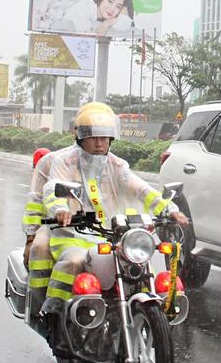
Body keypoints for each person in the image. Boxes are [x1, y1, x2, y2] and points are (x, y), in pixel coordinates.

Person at [40, 103, 187, 316]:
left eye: (104, 137)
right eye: (93, 137)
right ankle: (55, 310)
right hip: (74, 234)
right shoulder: (64, 162)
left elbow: (141, 189)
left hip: (113, 235)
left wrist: (170, 209)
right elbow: (53, 188)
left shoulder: (117, 165)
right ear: (80, 137)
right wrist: (61, 209)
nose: (99, 143)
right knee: (74, 261)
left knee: (143, 264)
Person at [22, 102, 106, 319]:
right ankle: (43, 310)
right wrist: (30, 238)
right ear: (76, 131)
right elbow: (36, 200)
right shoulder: (51, 161)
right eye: (89, 129)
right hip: (54, 224)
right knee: (40, 250)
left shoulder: (109, 164)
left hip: (95, 227)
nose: (96, 137)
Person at [43, 0, 135, 38]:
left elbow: (126, 24)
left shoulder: (101, 17)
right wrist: (107, 23)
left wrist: (110, 21)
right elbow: (88, 38)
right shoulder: (84, 9)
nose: (112, 9)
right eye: (110, 1)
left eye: (118, 7)